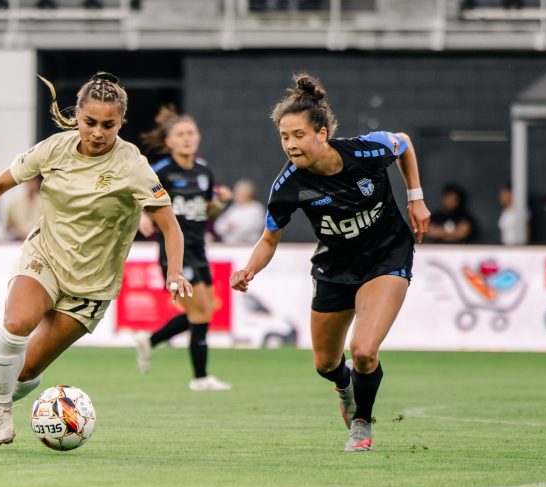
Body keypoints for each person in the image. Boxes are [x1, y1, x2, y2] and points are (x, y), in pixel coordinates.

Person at [0, 72, 192, 446]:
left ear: (121, 122)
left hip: (92, 286)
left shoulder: (132, 165)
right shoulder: (54, 149)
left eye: (108, 125)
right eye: (90, 122)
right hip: (44, 256)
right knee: (17, 321)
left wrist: (175, 271)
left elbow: (170, 226)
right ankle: (2, 407)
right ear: (77, 116)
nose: (98, 132)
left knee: (29, 367)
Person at [229, 73, 430, 452]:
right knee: (325, 363)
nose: (290, 144)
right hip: (335, 267)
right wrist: (249, 269)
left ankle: (362, 422)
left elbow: (404, 143)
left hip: (386, 255)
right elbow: (269, 239)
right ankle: (344, 387)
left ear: (321, 133)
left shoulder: (368, 150)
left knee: (365, 350)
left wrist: (415, 197)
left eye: (298, 135)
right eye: (284, 137)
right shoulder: (287, 186)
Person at [134, 105, 231, 391]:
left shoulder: (204, 171)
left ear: (198, 137)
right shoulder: (161, 171)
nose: (187, 138)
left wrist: (221, 202)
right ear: (169, 142)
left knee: (203, 311)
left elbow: (207, 214)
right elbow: (137, 195)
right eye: (180, 134)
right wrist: (142, 216)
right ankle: (200, 378)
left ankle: (150, 341)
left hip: (200, 250)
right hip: (175, 253)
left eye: (191, 133)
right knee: (201, 313)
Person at [214, 179, 266, 244]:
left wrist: (234, 227)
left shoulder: (256, 208)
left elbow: (251, 228)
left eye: (239, 194)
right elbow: (219, 226)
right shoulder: (234, 208)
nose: (236, 196)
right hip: (230, 246)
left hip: (249, 246)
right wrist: (227, 226)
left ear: (248, 194)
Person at [5, 175, 43, 240]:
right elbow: (8, 227)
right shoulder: (14, 204)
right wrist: (17, 232)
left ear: (38, 182)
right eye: (28, 180)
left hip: (39, 243)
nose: (30, 183)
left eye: (33, 180)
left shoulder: (46, 204)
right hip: (19, 243)